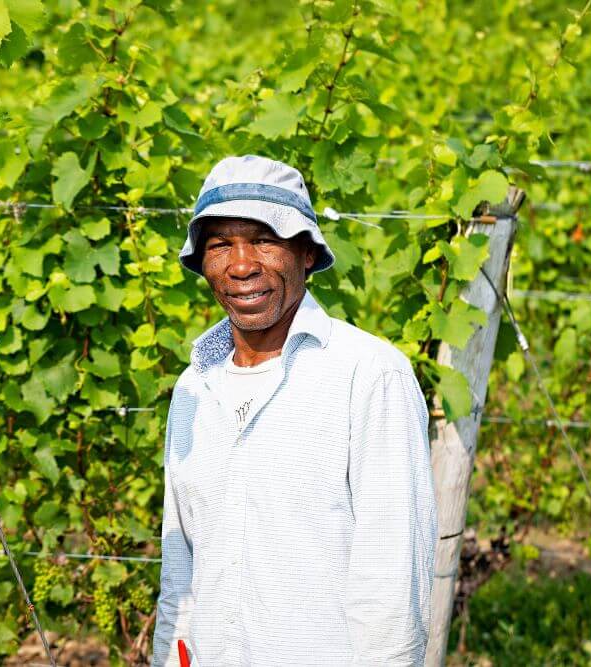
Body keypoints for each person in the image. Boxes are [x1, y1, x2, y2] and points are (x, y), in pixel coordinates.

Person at [152, 155, 437, 666]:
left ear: (307, 252)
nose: (241, 264)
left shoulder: (369, 375)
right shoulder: (195, 387)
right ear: (202, 264)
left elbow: (393, 579)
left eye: (264, 239)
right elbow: (182, 569)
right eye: (220, 245)